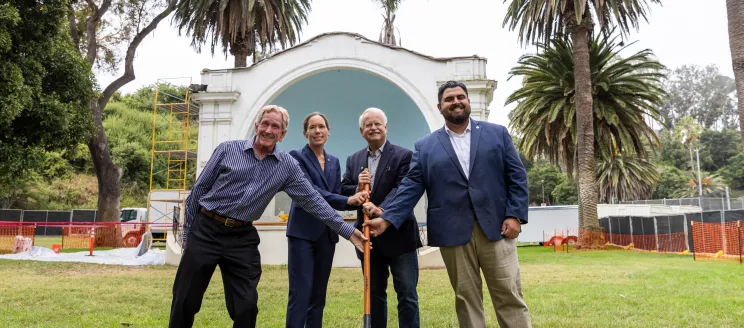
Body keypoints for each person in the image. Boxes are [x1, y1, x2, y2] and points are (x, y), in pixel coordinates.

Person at [168, 105, 368, 328]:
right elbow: (198, 191)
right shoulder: (227, 150)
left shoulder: (287, 167)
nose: (268, 130)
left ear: (282, 135)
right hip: (206, 229)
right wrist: (188, 233)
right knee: (185, 299)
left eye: (276, 126)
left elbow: (314, 202)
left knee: (246, 305)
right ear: (256, 126)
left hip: (241, 237)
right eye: (265, 123)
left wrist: (349, 232)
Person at [362, 81, 532, 328]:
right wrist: (387, 218)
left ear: (468, 101)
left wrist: (514, 215)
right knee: (467, 299)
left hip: (497, 227)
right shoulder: (426, 146)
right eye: (449, 99)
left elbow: (517, 176)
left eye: (460, 97)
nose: (456, 102)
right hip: (453, 233)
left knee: (509, 294)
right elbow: (411, 186)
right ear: (440, 106)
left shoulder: (497, 134)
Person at [285, 112, 369, 328]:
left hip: (326, 234)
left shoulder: (334, 161)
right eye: (312, 127)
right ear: (305, 133)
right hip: (302, 233)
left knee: (318, 295)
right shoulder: (296, 157)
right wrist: (347, 197)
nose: (317, 131)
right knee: (300, 294)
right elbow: (310, 192)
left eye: (321, 126)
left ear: (328, 131)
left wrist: (357, 191)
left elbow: (337, 191)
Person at [341, 107, 422, 328]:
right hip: (369, 240)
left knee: (407, 293)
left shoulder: (404, 155)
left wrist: (381, 210)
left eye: (377, 124)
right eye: (368, 125)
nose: (373, 127)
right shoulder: (353, 159)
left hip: (400, 235)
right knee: (374, 293)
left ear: (386, 127)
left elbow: (402, 189)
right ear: (361, 131)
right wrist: (356, 187)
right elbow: (343, 189)